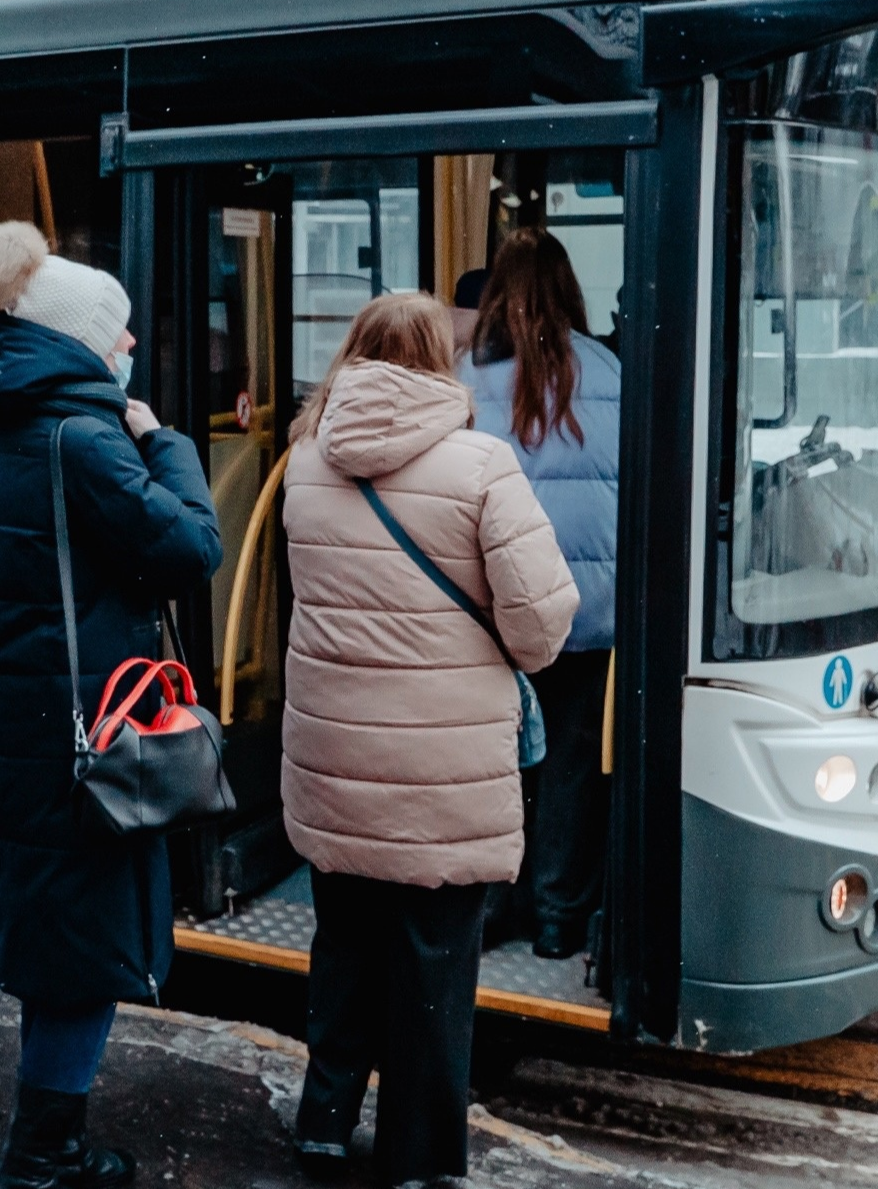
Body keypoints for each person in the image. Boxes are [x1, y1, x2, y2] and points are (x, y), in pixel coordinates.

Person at [279, 291, 578, 1187]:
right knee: (433, 973)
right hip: (440, 779)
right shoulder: (482, 464)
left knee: (342, 953)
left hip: (334, 761)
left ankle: (323, 1125)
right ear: (436, 361)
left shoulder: (304, 459)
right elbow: (543, 627)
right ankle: (417, 1158)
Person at [0, 221, 223, 1189]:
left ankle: (47, 1142)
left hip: (13, 735)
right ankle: (36, 1157)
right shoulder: (87, 443)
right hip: (82, 741)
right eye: (117, 330)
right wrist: (167, 439)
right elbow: (192, 550)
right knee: (87, 950)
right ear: (75, 342)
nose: (133, 345)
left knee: (52, 943)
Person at [455, 228, 621, 961]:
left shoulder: (465, 378)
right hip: (589, 611)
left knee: (498, 758)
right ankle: (558, 918)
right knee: (573, 763)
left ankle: (494, 906)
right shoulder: (610, 371)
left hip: (494, 611)